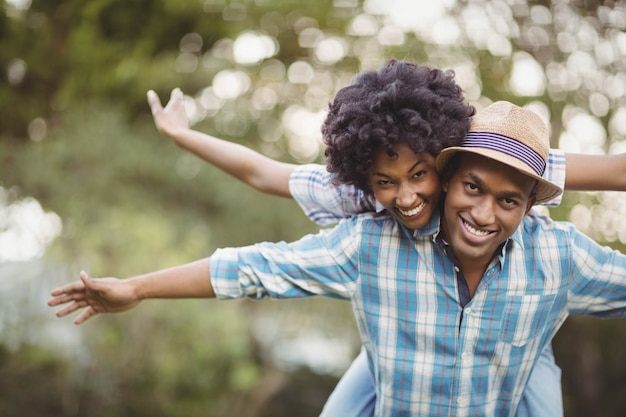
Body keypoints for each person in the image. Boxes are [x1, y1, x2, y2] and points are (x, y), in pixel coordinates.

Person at [49, 99, 626, 416]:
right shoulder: (362, 223)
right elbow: (255, 253)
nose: (407, 195)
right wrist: (137, 287)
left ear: (529, 203)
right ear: (452, 175)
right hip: (393, 351)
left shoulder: (550, 238)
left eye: (507, 199)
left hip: (519, 348)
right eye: (471, 188)